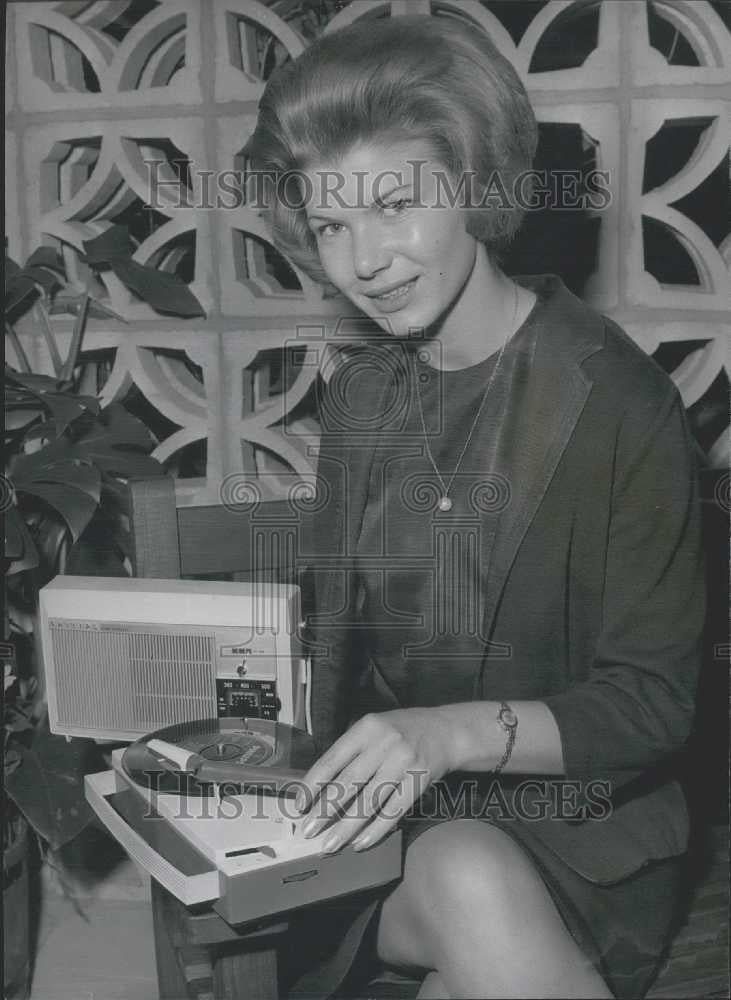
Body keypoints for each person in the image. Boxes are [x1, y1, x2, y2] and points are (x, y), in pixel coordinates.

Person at [246, 15, 705, 1000]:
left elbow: (653, 703)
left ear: (472, 183)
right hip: (398, 836)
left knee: (468, 897)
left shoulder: (619, 402)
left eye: (393, 204)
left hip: (583, 835)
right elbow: (342, 655)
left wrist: (447, 732)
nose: (363, 259)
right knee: (457, 870)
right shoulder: (360, 399)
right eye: (330, 225)